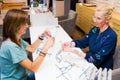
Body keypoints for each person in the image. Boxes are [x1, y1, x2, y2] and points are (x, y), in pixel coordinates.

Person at [0, 9, 54, 80]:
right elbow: (33, 68)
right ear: (16, 26)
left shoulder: (16, 39)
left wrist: (42, 36)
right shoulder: (10, 46)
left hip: (22, 76)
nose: (27, 26)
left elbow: (31, 48)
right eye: (25, 23)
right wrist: (46, 47)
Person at [62, 4, 117, 69]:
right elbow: (83, 42)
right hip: (90, 60)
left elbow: (98, 59)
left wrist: (79, 53)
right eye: (94, 17)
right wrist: (71, 43)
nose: (95, 20)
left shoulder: (111, 36)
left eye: (98, 18)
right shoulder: (94, 29)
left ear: (107, 20)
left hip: (101, 68)